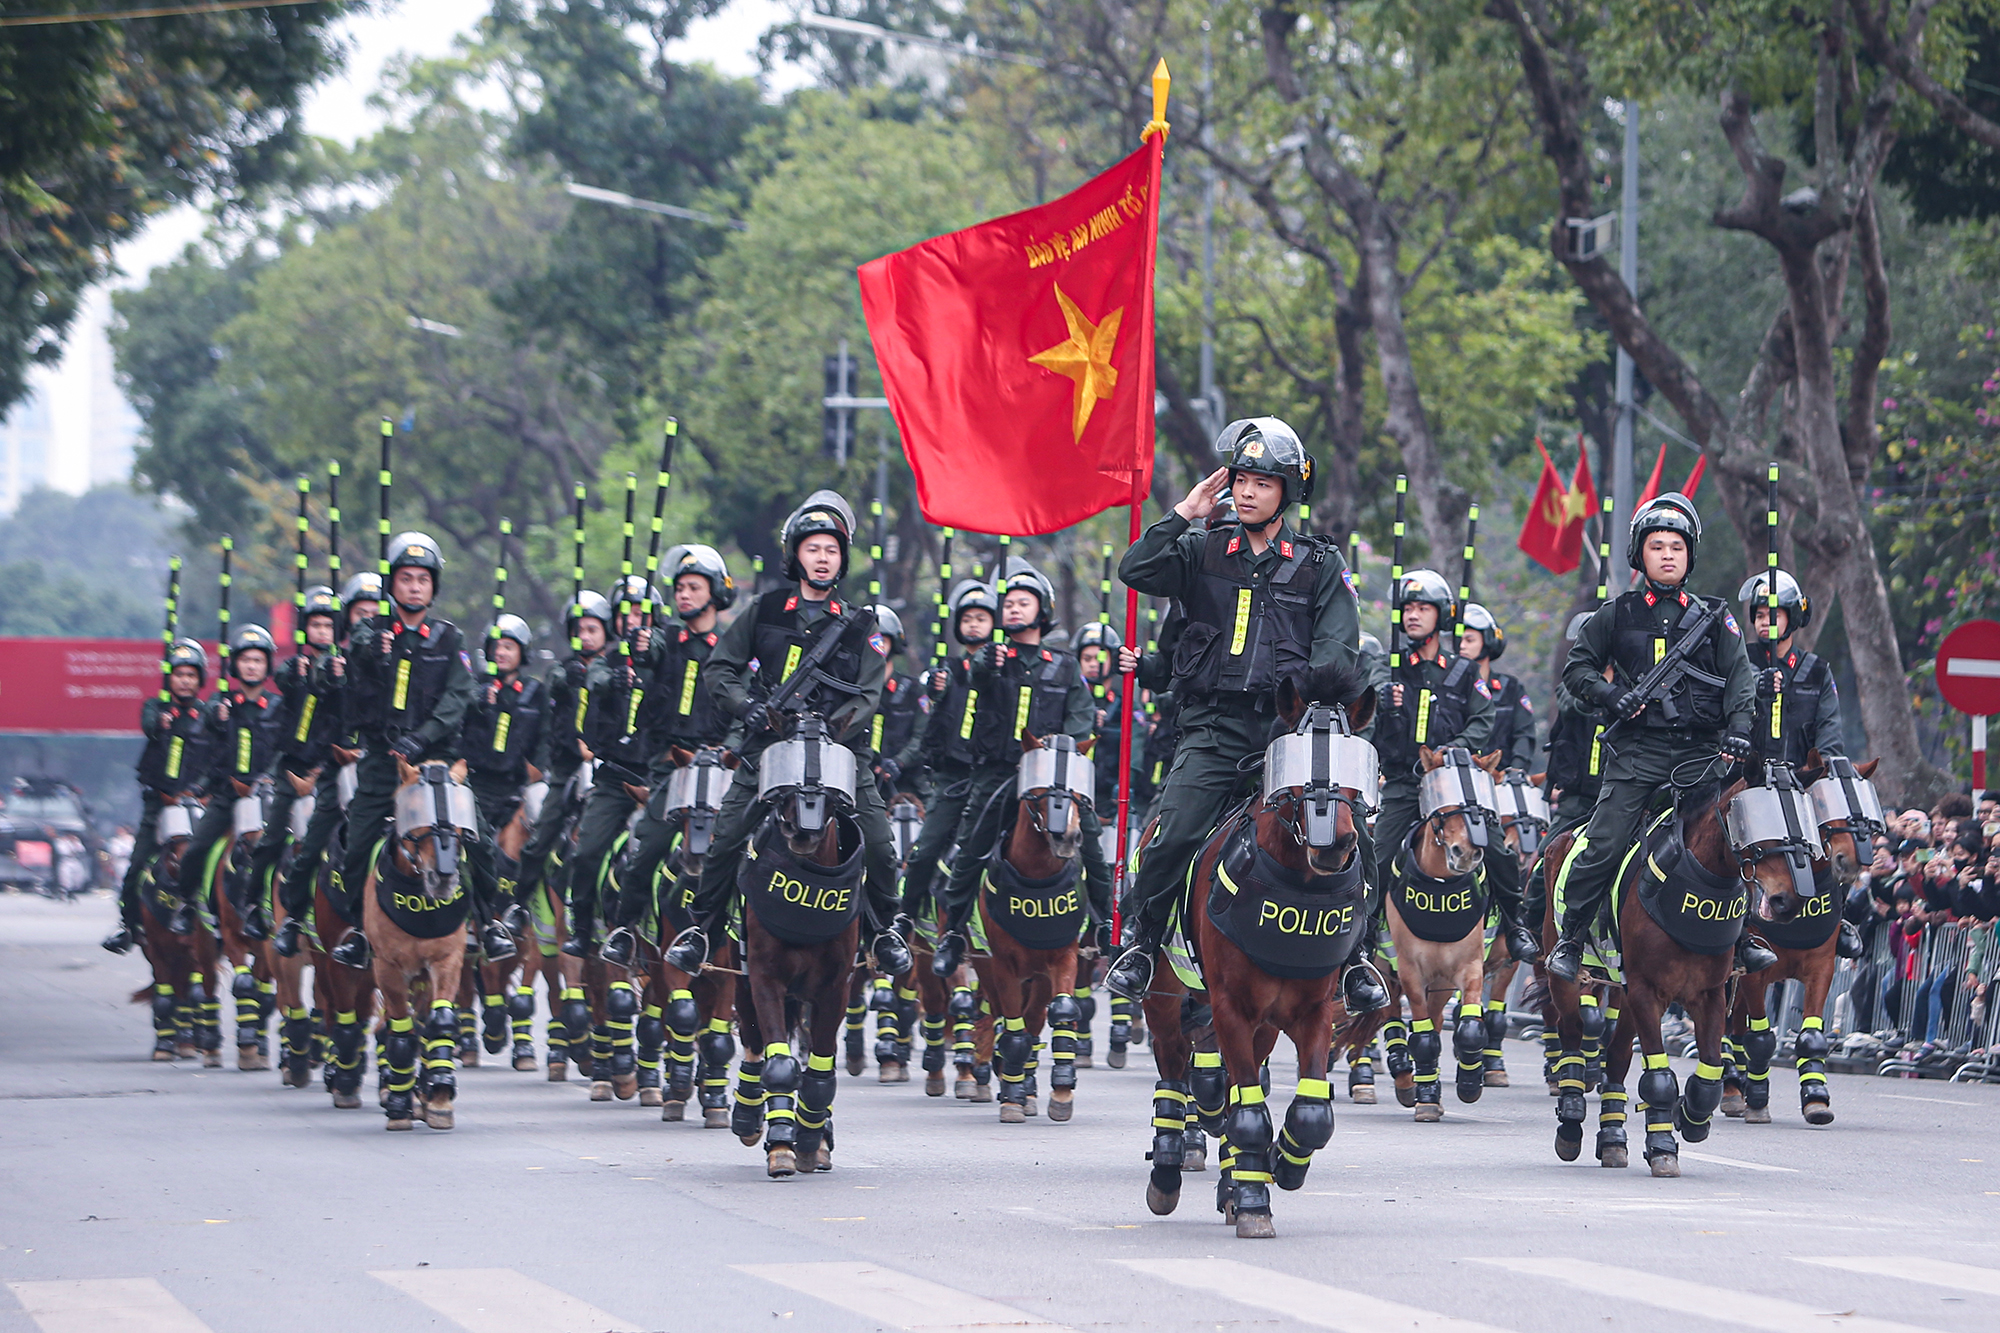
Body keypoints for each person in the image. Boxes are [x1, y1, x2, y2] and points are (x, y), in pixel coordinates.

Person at [1104, 416, 1373, 1009]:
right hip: (1213, 730)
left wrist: (1313, 713)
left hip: (1288, 734)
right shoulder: (1201, 549)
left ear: (1287, 493)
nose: (1248, 491)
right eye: (1242, 479)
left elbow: (1336, 647)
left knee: (1354, 833)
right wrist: (1184, 513)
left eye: (1263, 482)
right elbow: (1136, 569)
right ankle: (1143, 940)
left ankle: (1357, 957)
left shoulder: (1319, 564)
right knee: (1171, 831)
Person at [663, 490, 913, 977]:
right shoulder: (765, 609)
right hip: (769, 747)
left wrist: (833, 728)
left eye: (831, 551)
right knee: (726, 835)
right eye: (813, 548)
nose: (822, 559)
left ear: (842, 560)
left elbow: (868, 694)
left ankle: (885, 931)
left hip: (840, 753)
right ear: (796, 554)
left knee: (882, 844)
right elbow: (720, 671)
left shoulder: (862, 624)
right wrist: (749, 708)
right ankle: (702, 929)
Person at [1546, 493, 1762, 983]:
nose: (1667, 554)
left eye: (1677, 547)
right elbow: (1576, 670)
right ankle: (1573, 936)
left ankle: (1744, 937)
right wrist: (1610, 695)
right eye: (1657, 545)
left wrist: (1740, 731)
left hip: (1701, 757)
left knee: (1736, 840)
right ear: (1639, 555)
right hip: (1637, 758)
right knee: (1603, 844)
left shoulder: (1716, 617)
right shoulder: (1615, 614)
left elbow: (1740, 679)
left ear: (1690, 556)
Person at [930, 557, 1112, 977]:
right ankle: (954, 932)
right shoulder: (990, 659)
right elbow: (973, 679)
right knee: (970, 846)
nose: (1013, 608)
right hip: (999, 774)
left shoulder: (1065, 665)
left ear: (1042, 610)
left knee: (1092, 846)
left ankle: (1105, 925)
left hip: (1054, 777)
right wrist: (986, 664)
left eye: (1023, 602)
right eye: (1007, 603)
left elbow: (1081, 715)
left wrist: (1062, 745)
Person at [330, 532, 482, 968]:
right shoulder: (369, 633)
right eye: (405, 578)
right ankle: (358, 931)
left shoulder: (450, 640)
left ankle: (486, 922)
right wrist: (368, 652)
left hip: (436, 764)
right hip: (382, 762)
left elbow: (458, 699)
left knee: (482, 841)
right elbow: (349, 679)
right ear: (391, 585)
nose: (414, 586)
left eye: (422, 579)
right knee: (355, 843)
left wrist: (423, 737)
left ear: (433, 587)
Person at [599, 545, 736, 967]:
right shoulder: (666, 638)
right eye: (679, 588)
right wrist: (637, 645)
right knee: (645, 848)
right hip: (670, 767)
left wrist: (729, 748)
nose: (684, 595)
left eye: (694, 587)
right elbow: (650, 647)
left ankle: (747, 938)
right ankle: (625, 929)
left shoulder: (734, 645)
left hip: (724, 770)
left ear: (715, 593)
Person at [1372, 570, 1519, 956]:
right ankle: (1362, 939)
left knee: (1497, 848)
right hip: (1407, 782)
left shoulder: (1463, 670)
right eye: (1408, 609)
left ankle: (1515, 924)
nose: (1413, 616)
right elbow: (1369, 723)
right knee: (1378, 855)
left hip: (1455, 780)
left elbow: (1484, 718)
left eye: (1423, 608)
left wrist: (1452, 750)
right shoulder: (1389, 668)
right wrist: (1383, 705)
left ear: (1442, 616)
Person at [1734, 568, 1863, 957]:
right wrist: (1754, 690)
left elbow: (1829, 732)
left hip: (1798, 782)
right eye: (1757, 615)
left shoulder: (1817, 670)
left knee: (1845, 834)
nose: (1763, 622)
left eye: (1772, 614)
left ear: (1794, 617)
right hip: (1747, 780)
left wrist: (1828, 774)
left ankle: (1839, 918)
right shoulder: (1738, 662)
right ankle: (1735, 927)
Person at [562, 575, 669, 957]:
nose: (635, 619)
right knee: (587, 849)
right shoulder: (605, 663)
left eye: (643, 613)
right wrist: (612, 682)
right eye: (627, 613)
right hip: (616, 778)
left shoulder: (669, 658)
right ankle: (583, 924)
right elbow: (593, 685)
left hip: (663, 777)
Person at [273, 573, 378, 957]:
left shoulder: (397, 656)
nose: (367, 619)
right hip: (339, 770)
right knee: (311, 845)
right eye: (359, 613)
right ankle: (294, 918)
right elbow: (312, 708)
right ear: (346, 619)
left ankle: (479, 921)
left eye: (374, 612)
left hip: (385, 767)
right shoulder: (331, 664)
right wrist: (330, 679)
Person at [897, 580, 1000, 931]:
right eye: (967, 618)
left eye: (982, 618)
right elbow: (934, 722)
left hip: (993, 776)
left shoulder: (1006, 668)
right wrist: (936, 691)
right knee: (925, 849)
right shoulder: (947, 671)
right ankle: (905, 915)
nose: (974, 624)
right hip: (953, 776)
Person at [509, 590, 613, 926]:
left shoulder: (615, 669)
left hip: (608, 767)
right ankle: (519, 905)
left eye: (592, 630)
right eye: (579, 630)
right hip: (568, 768)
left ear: (605, 633)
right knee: (541, 834)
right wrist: (569, 678)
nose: (585, 637)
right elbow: (553, 685)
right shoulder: (561, 671)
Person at [176, 625, 285, 939]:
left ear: (267, 666)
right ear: (235, 664)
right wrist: (216, 716)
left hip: (266, 797)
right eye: (246, 659)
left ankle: (269, 909)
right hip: (227, 794)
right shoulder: (220, 704)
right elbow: (205, 737)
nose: (252, 665)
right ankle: (187, 904)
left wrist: (270, 779)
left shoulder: (279, 707)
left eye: (258, 660)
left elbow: (283, 750)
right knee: (195, 848)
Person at [103, 638, 212, 952]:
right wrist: (161, 721)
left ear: (200, 680)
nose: (185, 681)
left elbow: (217, 759)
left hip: (196, 805)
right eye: (179, 675)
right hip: (159, 805)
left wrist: (197, 791)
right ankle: (129, 925)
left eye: (191, 676)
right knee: (138, 864)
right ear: (170, 679)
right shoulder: (156, 708)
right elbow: (149, 724)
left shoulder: (208, 716)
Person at [252, 585, 343, 946]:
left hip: (332, 769)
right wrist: (302, 674)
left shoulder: (345, 668)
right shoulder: (293, 667)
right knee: (272, 838)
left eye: (328, 625)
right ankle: (256, 908)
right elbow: (285, 681)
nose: (322, 631)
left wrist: (337, 677)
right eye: (315, 625)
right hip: (294, 770)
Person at [456, 612, 549, 962]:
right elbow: (460, 733)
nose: (502, 653)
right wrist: (479, 704)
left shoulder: (536, 693)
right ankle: (469, 919)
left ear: (521, 653)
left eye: (509, 647)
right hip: (477, 786)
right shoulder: (474, 688)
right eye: (497, 647)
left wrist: (537, 770)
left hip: (517, 789)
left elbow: (544, 739)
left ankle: (522, 908)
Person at [1459, 603, 1534, 770]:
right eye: (1459, 640)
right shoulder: (1451, 689)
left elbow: (1524, 734)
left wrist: (1516, 770)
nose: (1462, 646)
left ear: (1487, 642)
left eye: (1469, 640)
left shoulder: (1511, 689)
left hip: (1501, 781)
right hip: (1458, 778)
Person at [869, 605, 929, 801]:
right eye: (870, 640)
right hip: (860, 784)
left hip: (908, 786)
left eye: (882, 640)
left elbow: (922, 737)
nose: (876, 646)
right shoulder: (848, 690)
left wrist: (899, 762)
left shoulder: (913, 690)